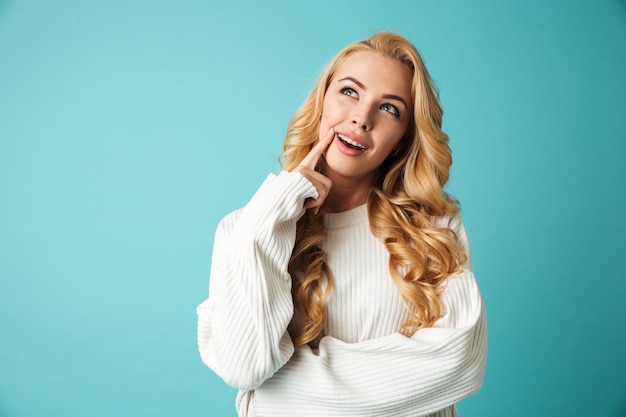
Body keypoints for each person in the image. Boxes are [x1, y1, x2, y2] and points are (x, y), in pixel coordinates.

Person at [197, 32, 487, 417]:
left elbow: (461, 363)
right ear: (321, 101)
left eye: (389, 109)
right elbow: (244, 367)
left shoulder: (433, 229)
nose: (361, 118)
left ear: (402, 139)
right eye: (350, 92)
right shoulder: (245, 229)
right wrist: (270, 214)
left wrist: (273, 397)